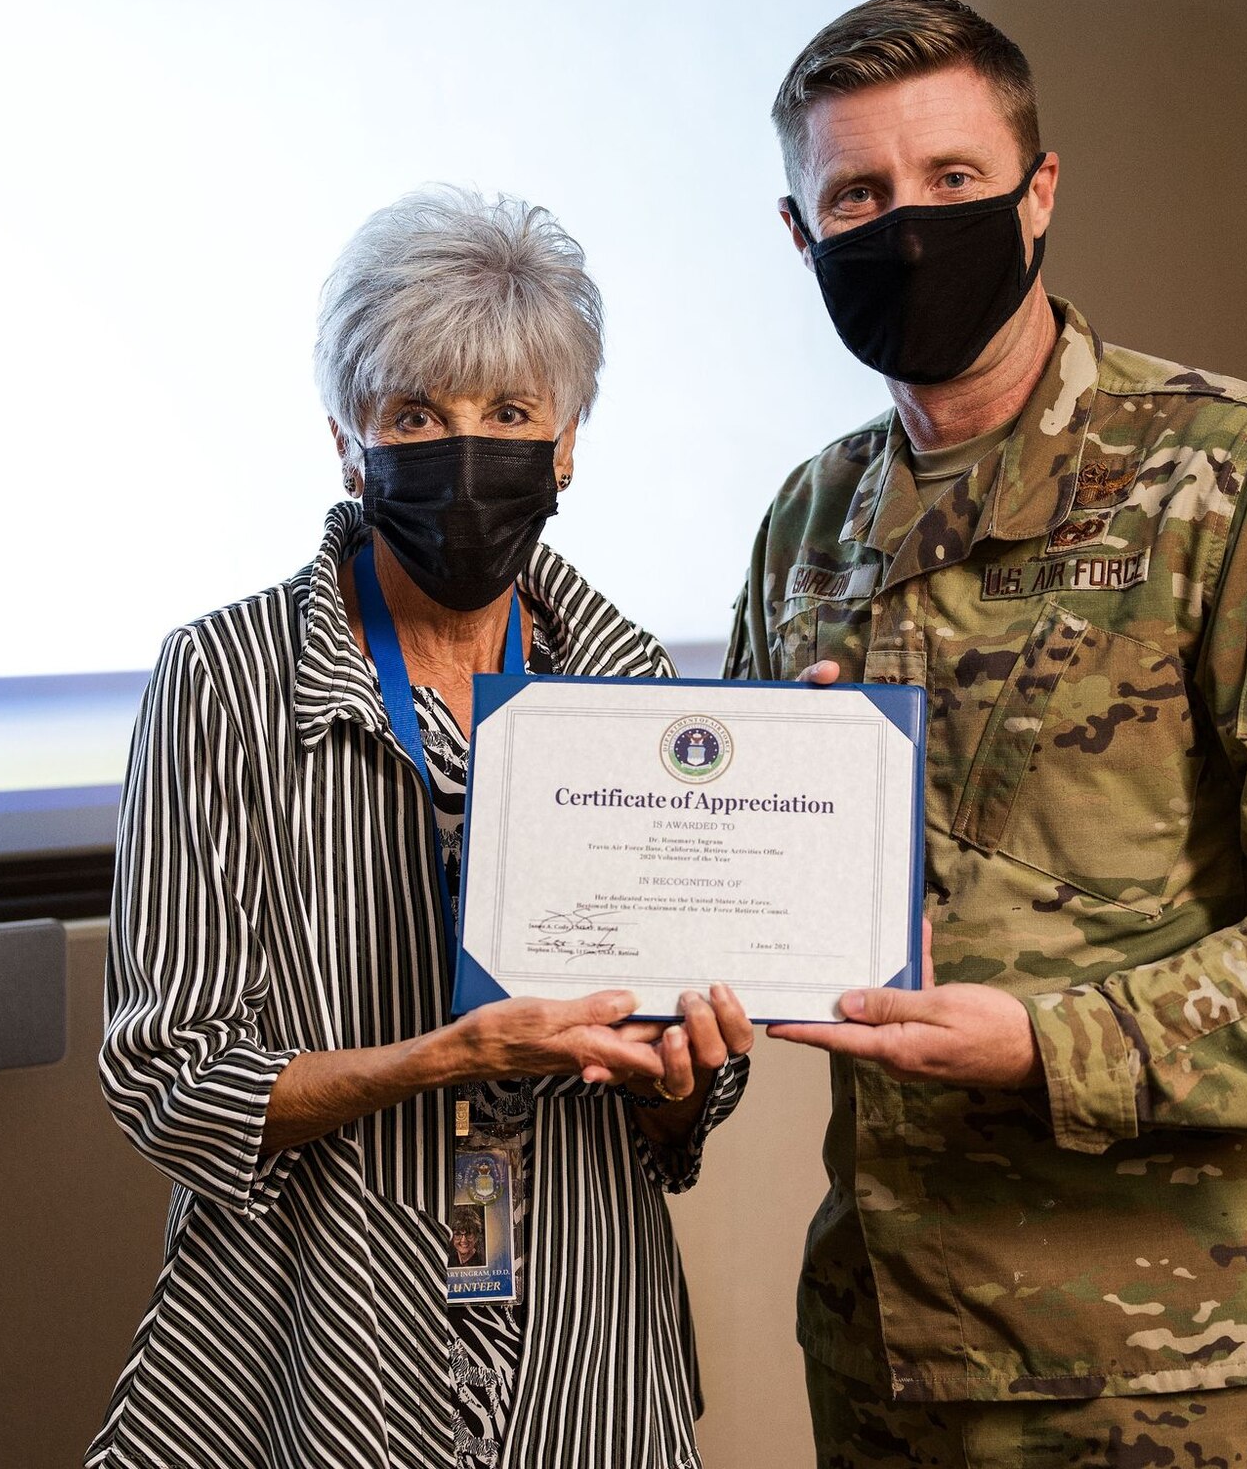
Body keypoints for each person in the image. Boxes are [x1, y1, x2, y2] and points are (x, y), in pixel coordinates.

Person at [730, 0, 1247, 1467]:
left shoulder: (1243, 475)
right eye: (856, 194)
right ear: (802, 238)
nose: (907, 227)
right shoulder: (810, 523)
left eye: (952, 181)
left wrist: (1058, 1044)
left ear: (1039, 193)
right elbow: (758, 905)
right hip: (883, 1352)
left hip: (1158, 1370)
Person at [91, 187, 752, 1469]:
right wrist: (438, 1058)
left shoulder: (640, 690)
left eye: (508, 414)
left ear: (567, 443)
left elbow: (680, 1106)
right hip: (311, 1352)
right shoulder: (225, 677)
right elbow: (166, 1083)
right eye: (415, 414)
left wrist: (682, 1086)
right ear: (349, 443)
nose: (466, 449)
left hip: (583, 1352)